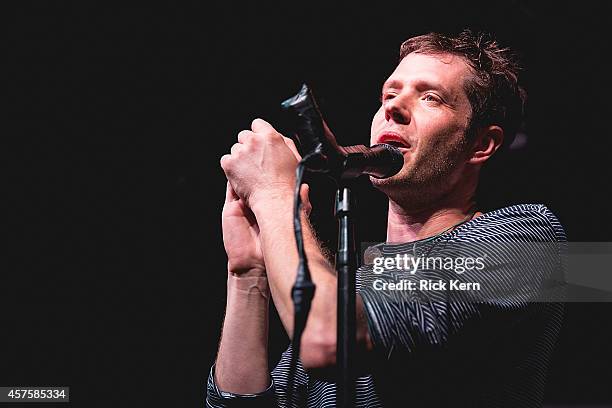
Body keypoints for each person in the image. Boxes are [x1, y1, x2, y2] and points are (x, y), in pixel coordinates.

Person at [206, 29, 566, 407]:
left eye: (430, 97)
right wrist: (247, 272)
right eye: (389, 95)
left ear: (481, 144)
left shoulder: (527, 240)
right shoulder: (350, 285)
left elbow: (327, 338)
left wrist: (277, 196)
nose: (393, 108)